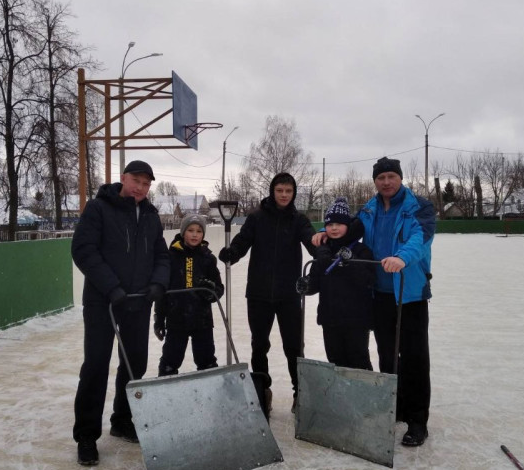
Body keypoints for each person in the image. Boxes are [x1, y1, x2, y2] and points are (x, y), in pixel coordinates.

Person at [312, 156, 435, 447]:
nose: (386, 182)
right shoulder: (369, 208)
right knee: (387, 354)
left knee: (414, 358)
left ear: (400, 178)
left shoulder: (419, 207)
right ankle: (395, 407)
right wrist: (324, 235)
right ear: (375, 181)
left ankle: (417, 421)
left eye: (391, 176)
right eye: (381, 178)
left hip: (409, 293)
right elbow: (346, 230)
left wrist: (402, 258)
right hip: (378, 294)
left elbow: (421, 238)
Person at [71, 160, 169, 466]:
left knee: (134, 363)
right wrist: (111, 287)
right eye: (136, 181)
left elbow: (162, 255)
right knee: (96, 365)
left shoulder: (151, 216)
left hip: (138, 302)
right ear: (123, 178)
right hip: (104, 301)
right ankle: (87, 436)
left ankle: (123, 420)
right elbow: (83, 250)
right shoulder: (99, 209)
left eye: (146, 183)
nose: (140, 187)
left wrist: (157, 283)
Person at [218, 172, 316, 412]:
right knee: (259, 344)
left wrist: (324, 256)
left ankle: (299, 393)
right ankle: (262, 391)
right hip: (259, 293)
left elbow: (312, 242)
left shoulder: (299, 220)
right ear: (273, 191)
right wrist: (233, 252)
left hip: (289, 294)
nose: (284, 195)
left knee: (294, 345)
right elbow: (243, 241)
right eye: (280, 190)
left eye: (289, 191)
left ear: (293, 194)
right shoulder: (257, 218)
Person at [296, 197, 375, 371]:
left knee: (358, 360)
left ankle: (365, 396)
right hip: (330, 318)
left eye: (339, 224)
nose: (334, 228)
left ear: (348, 225)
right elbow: (316, 280)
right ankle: (340, 397)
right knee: (336, 361)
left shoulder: (361, 250)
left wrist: (351, 262)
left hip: (356, 320)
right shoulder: (324, 251)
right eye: (330, 224)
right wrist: (307, 285)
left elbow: (368, 280)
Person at [154, 214, 224, 376]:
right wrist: (159, 319)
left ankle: (209, 392)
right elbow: (162, 293)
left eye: (199, 231)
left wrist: (211, 291)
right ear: (183, 232)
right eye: (190, 230)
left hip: (203, 321)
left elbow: (219, 289)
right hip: (176, 320)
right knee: (170, 360)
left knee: (207, 360)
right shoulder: (170, 257)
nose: (195, 234)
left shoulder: (208, 258)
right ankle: (166, 392)